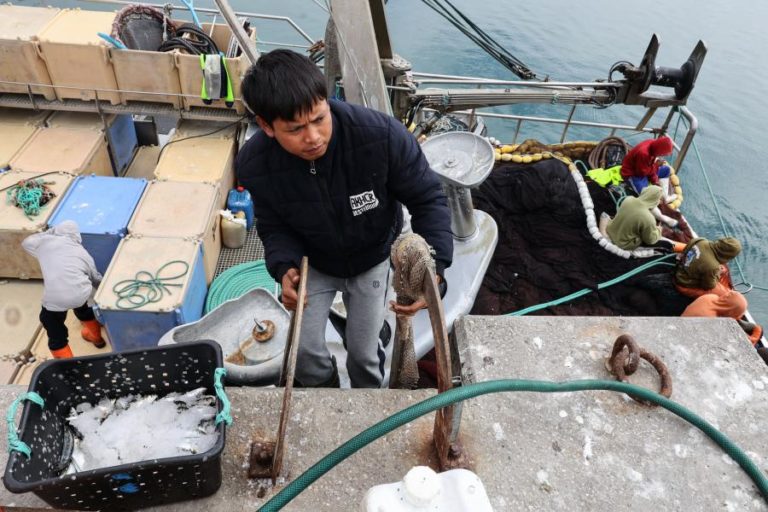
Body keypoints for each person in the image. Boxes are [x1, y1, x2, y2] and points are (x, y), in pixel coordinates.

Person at [236, 49, 453, 388]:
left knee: (364, 355)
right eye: (295, 129)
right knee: (303, 354)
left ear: (327, 100)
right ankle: (327, 399)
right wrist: (284, 267)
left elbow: (428, 199)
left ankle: (365, 410)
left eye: (319, 119)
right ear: (266, 126)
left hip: (372, 258)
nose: (313, 137)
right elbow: (273, 225)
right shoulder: (254, 164)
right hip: (314, 263)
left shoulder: (382, 137)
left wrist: (434, 273)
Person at [21, 221, 105, 359]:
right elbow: (96, 278)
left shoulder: (44, 244)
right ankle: (97, 339)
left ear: (57, 232)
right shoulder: (83, 252)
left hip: (56, 298)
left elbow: (26, 242)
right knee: (83, 307)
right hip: (80, 293)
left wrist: (50, 233)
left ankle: (69, 368)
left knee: (54, 329)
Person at [601, 185, 683, 252]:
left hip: (610, 230)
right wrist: (659, 230)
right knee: (664, 243)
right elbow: (650, 240)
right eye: (659, 199)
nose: (659, 202)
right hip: (622, 243)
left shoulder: (629, 199)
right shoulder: (649, 219)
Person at [681, 290, 763, 345]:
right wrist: (754, 337)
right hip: (689, 340)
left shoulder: (710, 297)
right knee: (757, 331)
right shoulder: (713, 322)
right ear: (730, 311)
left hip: (682, 325)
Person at [674, 236, 741, 298]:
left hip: (679, 270)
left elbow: (684, 253)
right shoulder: (712, 266)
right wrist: (718, 274)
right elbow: (708, 286)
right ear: (728, 254)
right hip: (683, 284)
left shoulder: (700, 240)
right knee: (725, 294)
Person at [620, 136, 676, 202]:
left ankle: (665, 195)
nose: (662, 155)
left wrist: (655, 180)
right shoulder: (643, 153)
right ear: (659, 150)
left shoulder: (653, 144)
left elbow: (650, 165)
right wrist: (656, 166)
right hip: (633, 175)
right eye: (662, 153)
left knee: (666, 170)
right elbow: (641, 173)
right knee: (645, 195)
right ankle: (660, 198)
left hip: (644, 169)